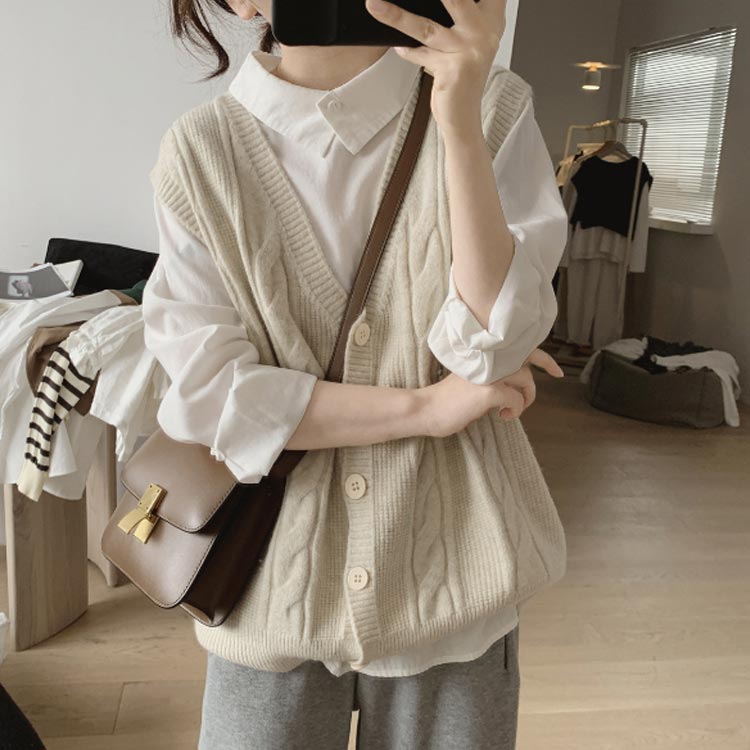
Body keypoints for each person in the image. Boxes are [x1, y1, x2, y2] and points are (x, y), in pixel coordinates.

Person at [142, 0, 569, 747]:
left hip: (455, 585)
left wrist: (458, 124)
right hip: (265, 590)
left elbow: (494, 347)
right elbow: (211, 397)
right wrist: (426, 408)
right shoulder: (200, 153)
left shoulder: (489, 105)